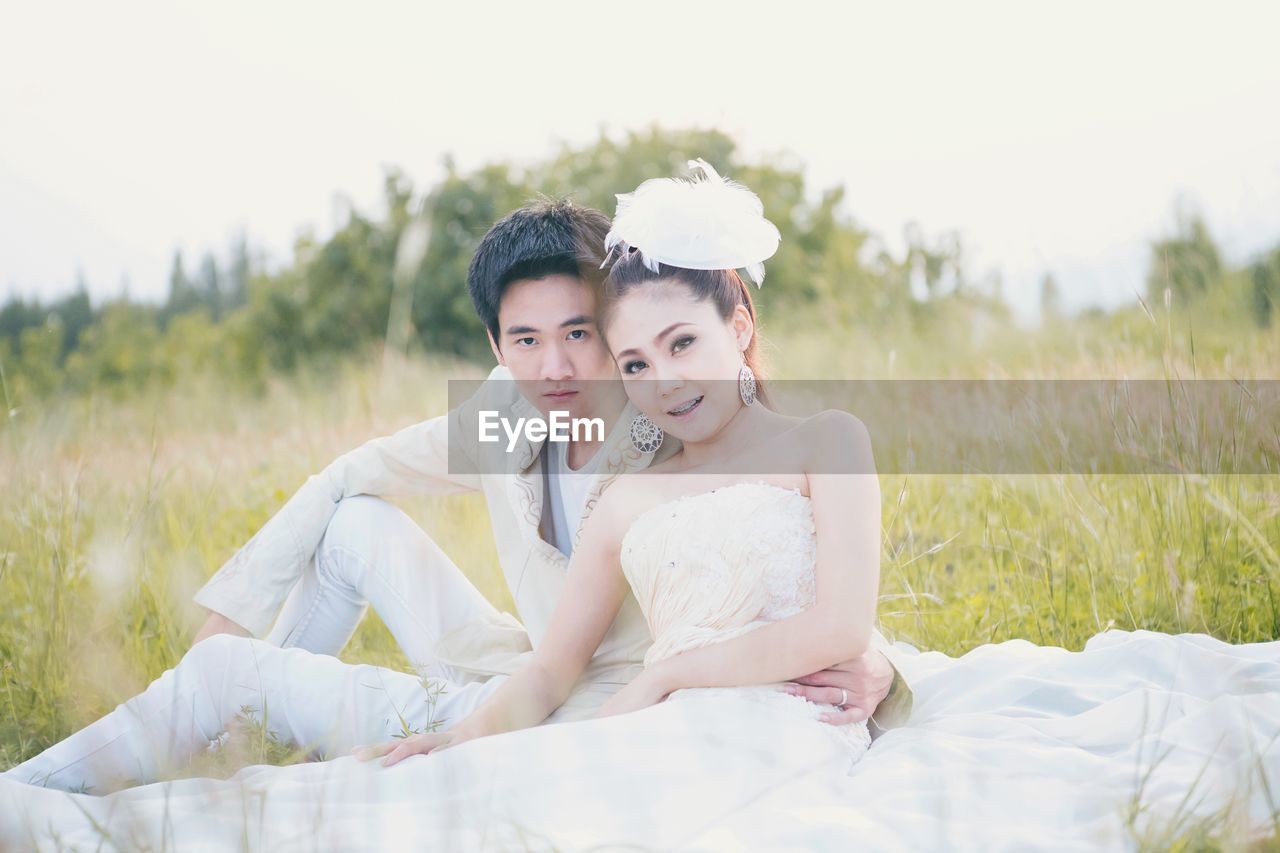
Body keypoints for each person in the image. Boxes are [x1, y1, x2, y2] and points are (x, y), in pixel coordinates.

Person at [1, 183, 909, 799]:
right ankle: (233, 704)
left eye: (584, 335)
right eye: (524, 340)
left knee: (227, 679)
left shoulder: (672, 420)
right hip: (516, 675)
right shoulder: (509, 410)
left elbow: (772, 555)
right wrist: (234, 607)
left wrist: (875, 658)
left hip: (600, 713)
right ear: (497, 342)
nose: (557, 366)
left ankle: (183, 720)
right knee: (347, 524)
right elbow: (353, 469)